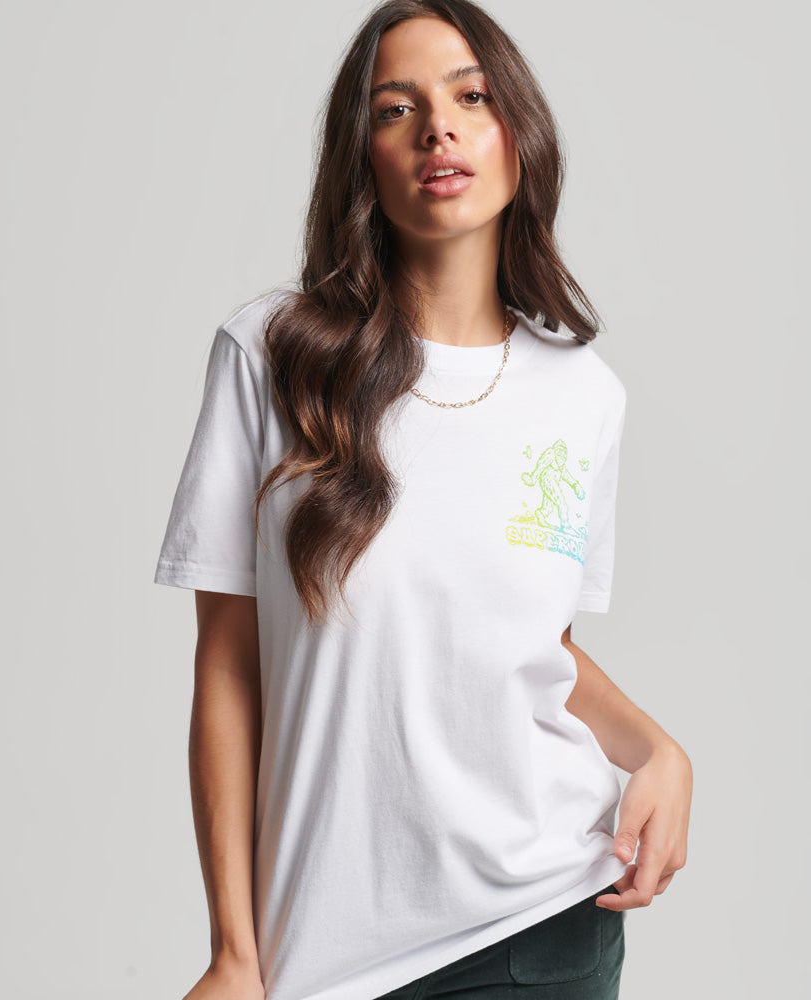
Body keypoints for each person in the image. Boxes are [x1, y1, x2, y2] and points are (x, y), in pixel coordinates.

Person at [152, 2, 693, 998]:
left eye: (470, 97)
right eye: (395, 109)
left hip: (542, 926)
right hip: (323, 954)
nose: (437, 127)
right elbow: (228, 658)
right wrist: (233, 950)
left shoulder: (583, 397)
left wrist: (657, 749)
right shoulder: (271, 357)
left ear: (517, 134)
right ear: (361, 158)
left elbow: (522, 644)